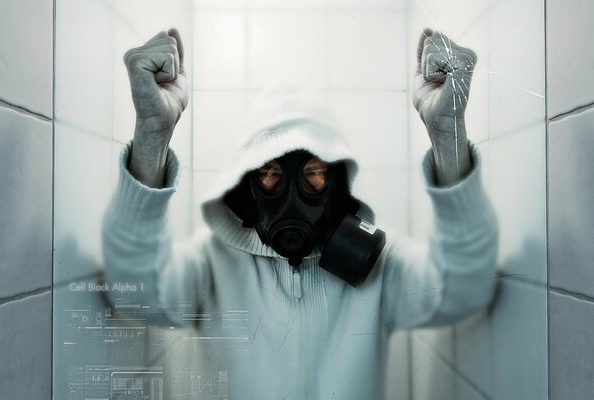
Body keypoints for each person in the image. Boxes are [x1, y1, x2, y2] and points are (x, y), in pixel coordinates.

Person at [103, 27, 498, 399]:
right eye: (270, 176)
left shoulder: (380, 265)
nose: (291, 196)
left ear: (340, 184)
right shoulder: (213, 262)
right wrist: (152, 132)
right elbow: (137, 294)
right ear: (244, 188)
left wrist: (448, 133)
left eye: (315, 176)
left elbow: (463, 289)